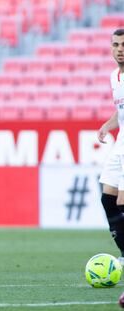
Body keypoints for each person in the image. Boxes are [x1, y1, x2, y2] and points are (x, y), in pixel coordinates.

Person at [98, 28, 124, 266]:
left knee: (122, 202)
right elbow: (121, 111)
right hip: (120, 143)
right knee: (108, 198)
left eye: (123, 44)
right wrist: (108, 125)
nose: (120, 49)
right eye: (116, 45)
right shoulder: (114, 76)